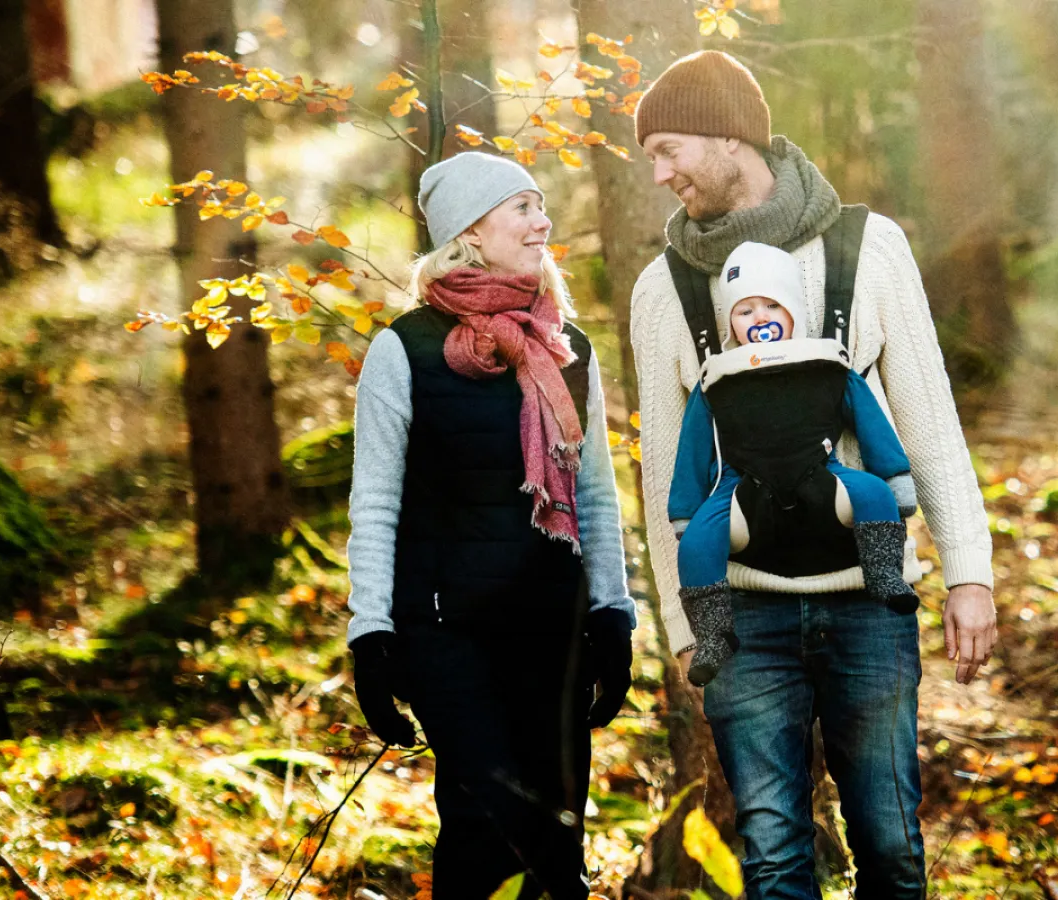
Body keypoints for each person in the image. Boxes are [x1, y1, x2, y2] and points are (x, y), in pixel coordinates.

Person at [628, 50, 998, 899]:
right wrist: (690, 629)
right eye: (651, 156)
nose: (660, 173)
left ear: (731, 137)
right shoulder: (663, 290)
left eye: (670, 148)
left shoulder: (870, 249)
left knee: (894, 851)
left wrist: (969, 574)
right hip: (744, 614)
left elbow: (930, 421)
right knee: (775, 861)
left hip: (871, 604)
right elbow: (661, 479)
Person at [343, 151, 635, 900]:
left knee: (556, 839)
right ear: (469, 231)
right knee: (483, 832)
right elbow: (374, 503)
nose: (544, 222)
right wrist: (371, 636)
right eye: (523, 208)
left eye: (542, 206)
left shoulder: (566, 349)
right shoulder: (401, 351)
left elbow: (594, 494)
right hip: (449, 635)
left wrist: (612, 613)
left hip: (554, 631)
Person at [668, 240, 919, 687]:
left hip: (823, 478)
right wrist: (686, 513)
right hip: (740, 491)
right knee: (696, 546)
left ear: (793, 312)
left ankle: (883, 573)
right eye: (744, 311)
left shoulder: (827, 366)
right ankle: (713, 633)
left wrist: (895, 478)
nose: (759, 318)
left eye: (771, 305)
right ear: (730, 321)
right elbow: (693, 449)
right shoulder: (718, 381)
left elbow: (870, 422)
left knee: (873, 494)